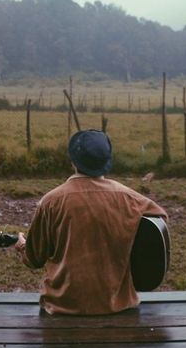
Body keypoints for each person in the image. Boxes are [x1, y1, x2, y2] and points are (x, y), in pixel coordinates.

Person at [15, 129, 168, 315]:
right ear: (107, 161)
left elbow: (34, 258)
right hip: (118, 306)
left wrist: (22, 245)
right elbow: (159, 222)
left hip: (62, 308)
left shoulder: (51, 202)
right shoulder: (131, 198)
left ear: (73, 162)